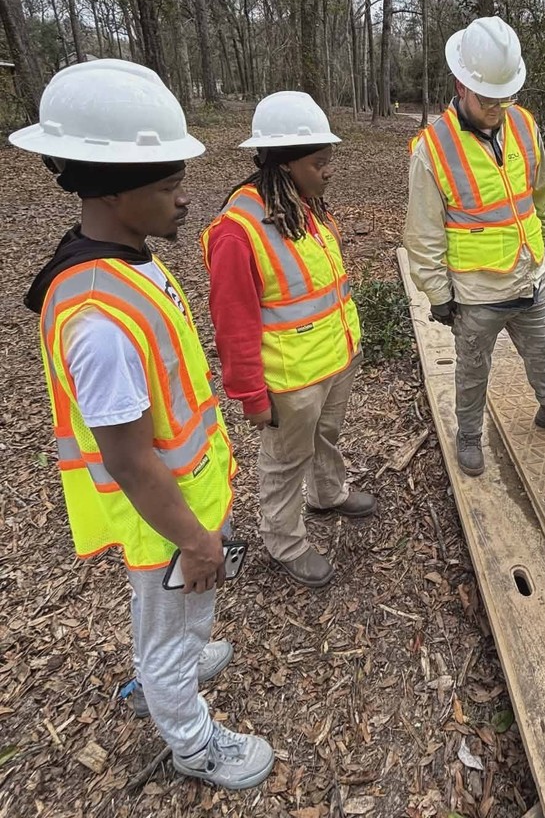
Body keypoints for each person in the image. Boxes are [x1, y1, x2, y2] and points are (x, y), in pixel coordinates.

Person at [13, 59, 274, 789]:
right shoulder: (97, 319)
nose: (184, 199)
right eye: (166, 187)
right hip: (161, 517)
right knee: (163, 632)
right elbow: (127, 459)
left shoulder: (123, 262)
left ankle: (186, 654)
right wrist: (194, 540)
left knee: (184, 611)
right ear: (113, 190)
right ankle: (193, 743)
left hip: (184, 500)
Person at [404, 16, 545, 476]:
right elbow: (423, 234)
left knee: (544, 349)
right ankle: (468, 434)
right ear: (461, 84)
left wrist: (542, 248)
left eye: (504, 97)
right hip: (477, 294)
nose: (497, 107)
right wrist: (439, 295)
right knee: (472, 369)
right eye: (487, 98)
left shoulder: (524, 124)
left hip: (530, 277)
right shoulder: (431, 150)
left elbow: (542, 196)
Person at [202, 91, 372, 590]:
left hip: (334, 360)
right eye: (319, 162)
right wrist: (253, 398)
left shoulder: (305, 205)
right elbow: (233, 327)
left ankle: (327, 493)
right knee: (284, 461)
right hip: (291, 379)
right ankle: (285, 540)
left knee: (326, 438)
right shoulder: (238, 230)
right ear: (284, 163)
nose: (328, 170)